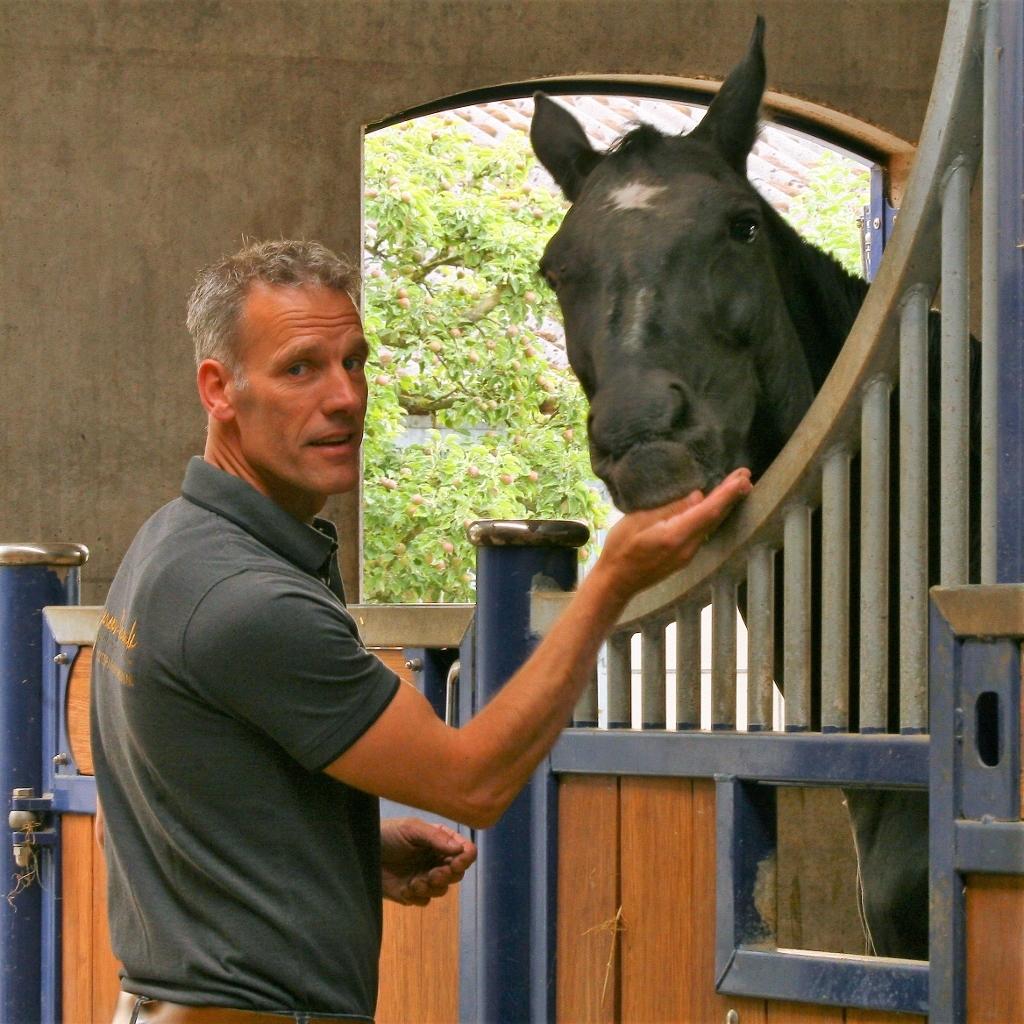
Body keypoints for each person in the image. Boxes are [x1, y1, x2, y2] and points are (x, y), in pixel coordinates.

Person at [91, 239, 751, 1024]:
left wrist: (352, 852)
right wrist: (609, 584)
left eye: (355, 361)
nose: (344, 397)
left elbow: (187, 795)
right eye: (300, 368)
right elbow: (470, 780)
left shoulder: (173, 541)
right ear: (219, 389)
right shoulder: (246, 598)